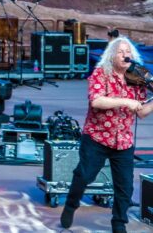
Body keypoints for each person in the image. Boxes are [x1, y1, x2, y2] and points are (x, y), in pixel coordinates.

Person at [60, 37, 153, 232]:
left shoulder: (137, 77)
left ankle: (119, 224)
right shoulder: (101, 74)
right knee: (85, 176)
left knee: (125, 188)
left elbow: (142, 112)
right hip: (97, 137)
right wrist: (126, 102)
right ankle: (71, 205)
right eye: (120, 51)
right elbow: (96, 101)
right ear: (111, 56)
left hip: (123, 142)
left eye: (128, 51)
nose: (125, 54)